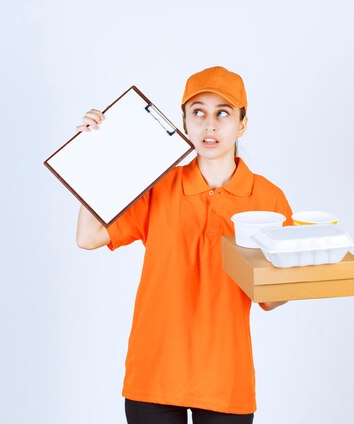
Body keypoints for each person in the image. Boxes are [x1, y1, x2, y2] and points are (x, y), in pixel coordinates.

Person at [75, 66, 293, 424]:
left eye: (222, 113)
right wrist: (91, 155)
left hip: (225, 380)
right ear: (184, 123)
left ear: (241, 124)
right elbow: (88, 237)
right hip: (154, 374)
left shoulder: (268, 198)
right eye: (198, 113)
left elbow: (270, 299)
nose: (210, 125)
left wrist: (298, 272)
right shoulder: (158, 186)